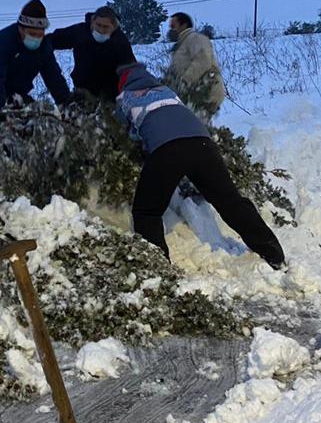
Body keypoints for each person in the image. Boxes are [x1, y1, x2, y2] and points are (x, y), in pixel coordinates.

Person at [115, 62, 284, 269]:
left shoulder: (125, 97)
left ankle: (157, 270)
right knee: (231, 203)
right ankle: (274, 254)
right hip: (203, 144)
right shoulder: (167, 92)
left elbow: (125, 130)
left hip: (167, 149)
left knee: (146, 211)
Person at [0, 0, 71, 111]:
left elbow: (54, 78)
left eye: (40, 35)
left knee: (31, 112)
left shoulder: (44, 47)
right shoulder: (1, 43)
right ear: (21, 29)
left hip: (14, 89)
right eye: (32, 34)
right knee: (2, 115)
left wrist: (66, 106)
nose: (36, 38)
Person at [48, 5, 135, 102]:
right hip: (82, 93)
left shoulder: (120, 41)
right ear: (92, 21)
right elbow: (52, 40)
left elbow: (131, 70)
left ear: (114, 27)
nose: (101, 30)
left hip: (112, 96)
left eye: (105, 27)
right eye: (98, 25)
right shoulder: (80, 31)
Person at [164, 12, 226, 121]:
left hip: (204, 95)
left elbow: (203, 61)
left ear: (184, 25)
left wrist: (184, 81)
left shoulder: (196, 39)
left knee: (196, 128)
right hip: (191, 96)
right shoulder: (182, 44)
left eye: (173, 26)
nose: (171, 30)